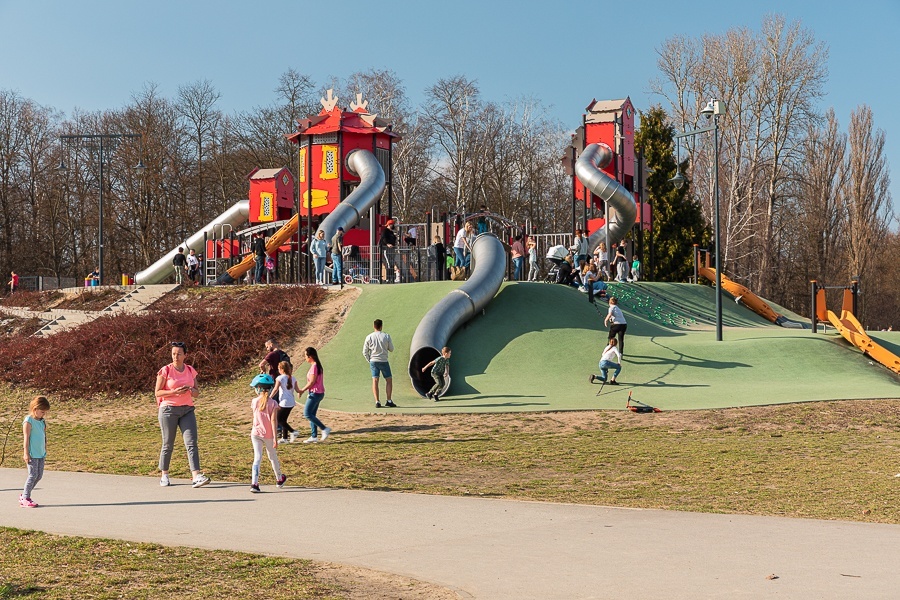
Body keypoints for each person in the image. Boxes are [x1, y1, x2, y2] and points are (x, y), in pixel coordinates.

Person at [155, 341, 210, 488]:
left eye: (179, 353)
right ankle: (164, 474)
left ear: (185, 355)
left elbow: (197, 392)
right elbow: (157, 392)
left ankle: (196, 475)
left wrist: (191, 390)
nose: (176, 356)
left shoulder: (190, 370)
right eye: (173, 353)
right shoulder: (165, 370)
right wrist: (174, 392)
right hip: (168, 410)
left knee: (191, 443)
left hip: (187, 410)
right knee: (168, 444)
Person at [248, 374, 287, 492]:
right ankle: (279, 479)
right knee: (272, 457)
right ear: (270, 389)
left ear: (257, 388)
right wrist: (275, 438)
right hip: (268, 435)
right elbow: (274, 421)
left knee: (257, 458)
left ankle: (254, 483)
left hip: (255, 433)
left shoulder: (254, 401)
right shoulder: (273, 403)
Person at [20, 396, 50, 508]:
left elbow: (43, 436)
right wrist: (26, 453)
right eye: (42, 412)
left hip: (41, 453)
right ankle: (25, 498)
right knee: (32, 475)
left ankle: (24, 495)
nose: (44, 414)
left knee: (39, 476)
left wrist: (45, 448)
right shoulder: (28, 421)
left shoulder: (42, 422)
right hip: (32, 453)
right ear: (35, 409)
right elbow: (26, 438)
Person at [297, 347, 330, 443]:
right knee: (312, 414)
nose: (305, 358)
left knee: (307, 413)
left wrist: (302, 390)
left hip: (315, 393)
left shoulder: (315, 366)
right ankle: (314, 436)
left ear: (310, 356)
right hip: (317, 393)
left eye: (305, 356)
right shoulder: (316, 366)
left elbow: (312, 382)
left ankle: (324, 429)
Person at [363, 319, 396, 408]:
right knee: (388, 380)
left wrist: (369, 360)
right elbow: (391, 349)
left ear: (374, 326)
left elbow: (365, 351)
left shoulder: (369, 337)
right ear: (381, 326)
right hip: (384, 360)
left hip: (373, 361)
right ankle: (389, 400)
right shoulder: (386, 336)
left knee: (375, 380)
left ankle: (377, 401)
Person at [270, 360, 301, 444]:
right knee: (284, 420)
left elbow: (275, 389)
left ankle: (293, 432)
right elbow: (298, 390)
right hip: (291, 402)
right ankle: (285, 438)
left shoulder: (280, 378)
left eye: (278, 368)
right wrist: (301, 392)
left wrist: (269, 397)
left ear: (281, 369)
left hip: (284, 402)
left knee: (279, 420)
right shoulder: (293, 378)